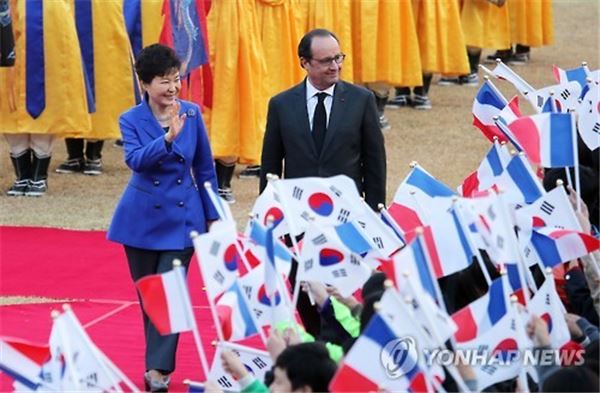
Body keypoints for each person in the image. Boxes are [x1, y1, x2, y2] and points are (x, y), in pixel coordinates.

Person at [107, 44, 219, 392]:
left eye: (176, 80)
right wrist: (167, 139)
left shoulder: (192, 113)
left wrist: (214, 215)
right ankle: (153, 365)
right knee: (149, 298)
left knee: (168, 295)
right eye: (163, 81)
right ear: (145, 84)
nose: (172, 88)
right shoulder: (131, 119)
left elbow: (204, 167)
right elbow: (136, 160)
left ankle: (158, 373)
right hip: (140, 222)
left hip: (184, 221)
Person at [259, 28, 386, 211]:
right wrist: (269, 211)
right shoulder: (281, 105)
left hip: (347, 211)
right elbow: (271, 165)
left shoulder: (362, 100)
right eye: (326, 61)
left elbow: (375, 161)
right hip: (299, 211)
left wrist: (375, 210)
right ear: (305, 63)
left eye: (338, 58)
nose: (335, 66)